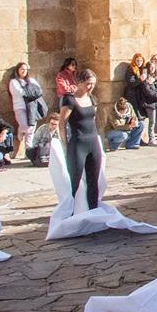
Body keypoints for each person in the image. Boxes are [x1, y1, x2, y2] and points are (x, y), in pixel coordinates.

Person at [58, 69, 102, 210]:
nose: (91, 86)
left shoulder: (92, 99)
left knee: (93, 181)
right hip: (78, 143)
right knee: (74, 181)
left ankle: (94, 210)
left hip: (93, 141)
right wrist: (65, 145)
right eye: (88, 83)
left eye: (93, 83)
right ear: (80, 82)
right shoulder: (70, 100)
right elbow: (61, 124)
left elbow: (93, 120)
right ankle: (69, 212)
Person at [8, 62, 47, 162]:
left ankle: (28, 151)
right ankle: (21, 130)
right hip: (20, 106)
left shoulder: (31, 80)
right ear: (17, 70)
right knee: (26, 127)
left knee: (31, 129)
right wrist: (30, 91)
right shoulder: (13, 82)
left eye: (25, 69)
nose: (24, 71)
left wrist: (29, 91)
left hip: (32, 107)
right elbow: (19, 92)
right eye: (22, 69)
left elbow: (38, 90)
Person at [139, 57, 157, 145]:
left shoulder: (155, 78)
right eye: (150, 67)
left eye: (154, 67)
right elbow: (147, 91)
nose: (152, 69)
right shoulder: (145, 79)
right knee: (152, 122)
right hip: (149, 103)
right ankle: (151, 139)